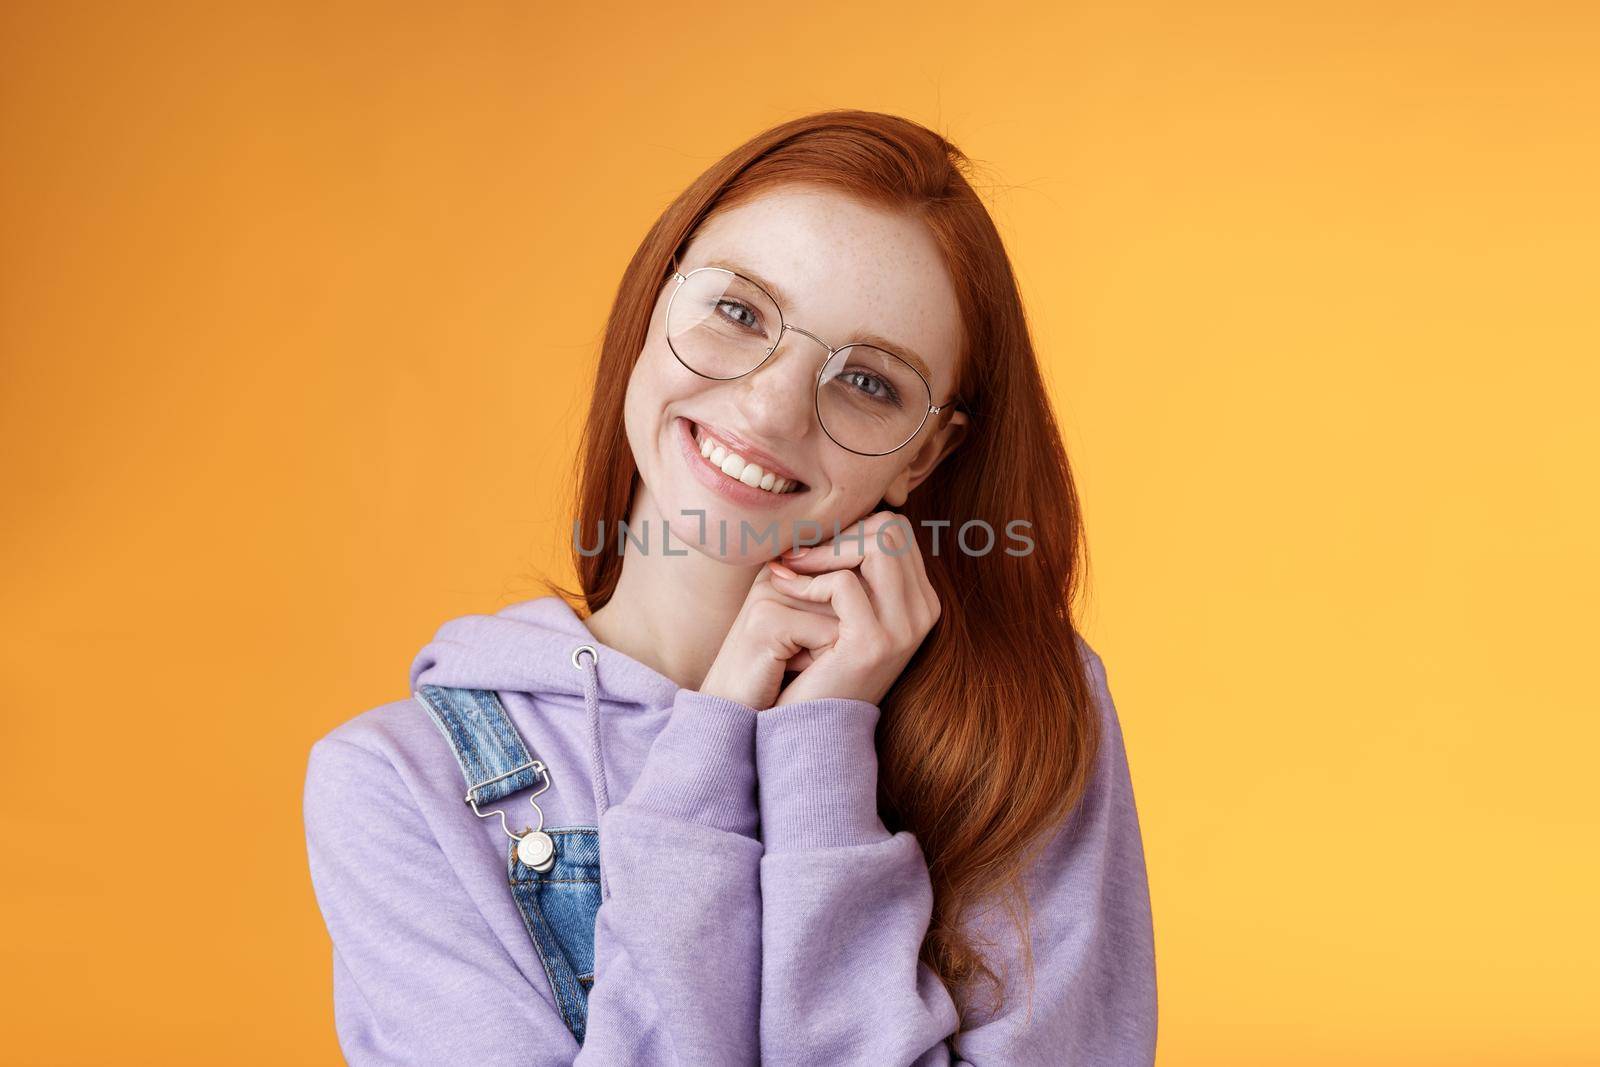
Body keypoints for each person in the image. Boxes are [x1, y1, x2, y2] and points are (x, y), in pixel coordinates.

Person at [303, 108, 1158, 1065]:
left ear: (925, 457)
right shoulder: (402, 785)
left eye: (870, 381)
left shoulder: (1024, 716)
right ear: (654, 300)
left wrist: (822, 747)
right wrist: (716, 739)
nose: (771, 404)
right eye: (739, 312)